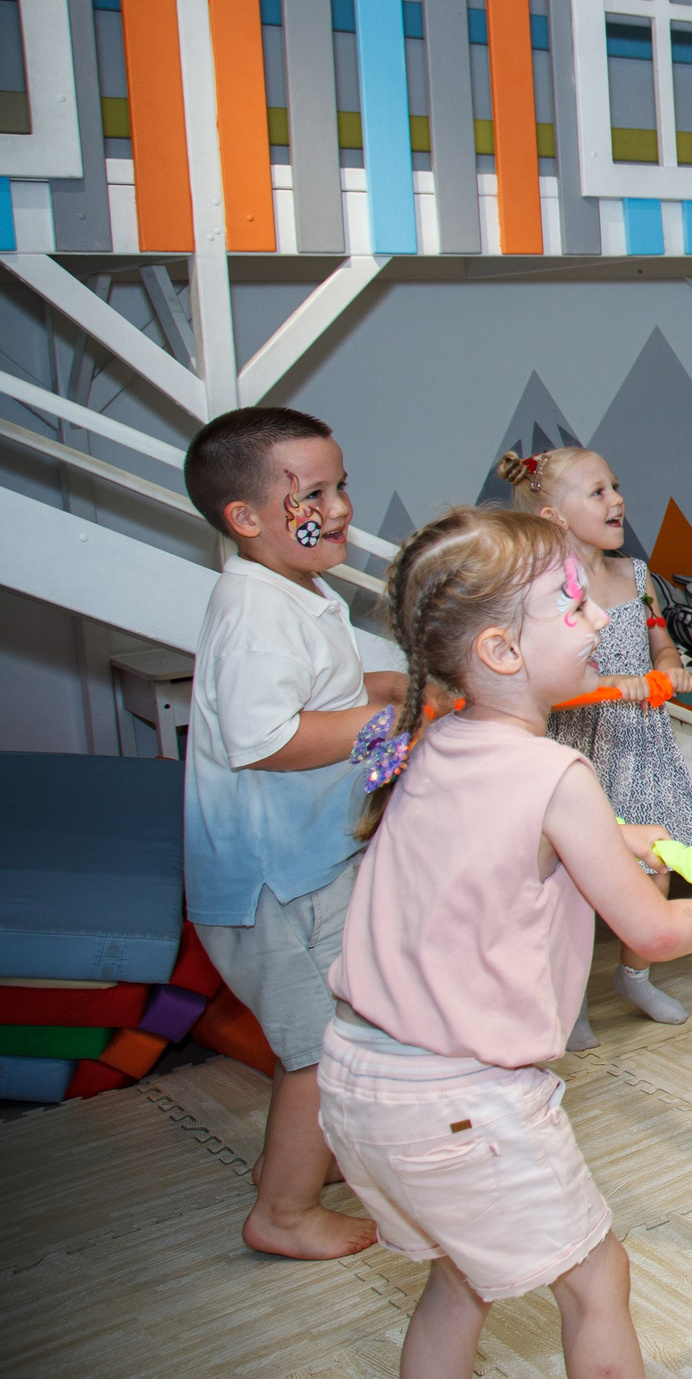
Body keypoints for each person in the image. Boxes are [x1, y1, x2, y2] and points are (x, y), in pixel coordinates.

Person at [320, 507, 692, 1379]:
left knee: (458, 1281)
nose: (597, 621)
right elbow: (655, 928)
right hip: (463, 1099)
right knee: (597, 1280)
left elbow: (489, 844)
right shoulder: (558, 773)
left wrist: (614, 836)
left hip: (361, 1083)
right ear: (503, 653)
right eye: (572, 603)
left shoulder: (435, 738)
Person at [178, 406, 400, 1261]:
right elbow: (267, 738)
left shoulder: (298, 590)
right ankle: (283, 1211)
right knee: (321, 1048)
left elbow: (331, 685)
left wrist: (387, 686)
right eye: (315, 493)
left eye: (340, 484)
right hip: (272, 885)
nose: (340, 506)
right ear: (245, 518)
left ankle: (319, 1151)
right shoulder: (253, 610)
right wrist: (391, 722)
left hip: (313, 861)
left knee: (346, 1018)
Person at [503, 446, 692, 1034]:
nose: (617, 499)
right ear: (555, 518)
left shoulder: (635, 575)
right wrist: (603, 683)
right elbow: (532, 682)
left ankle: (635, 976)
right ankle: (569, 1001)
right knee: (571, 880)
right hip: (578, 749)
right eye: (597, 492)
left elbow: (658, 640)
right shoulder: (537, 591)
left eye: (614, 486)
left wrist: (669, 665)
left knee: (657, 865)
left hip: (641, 748)